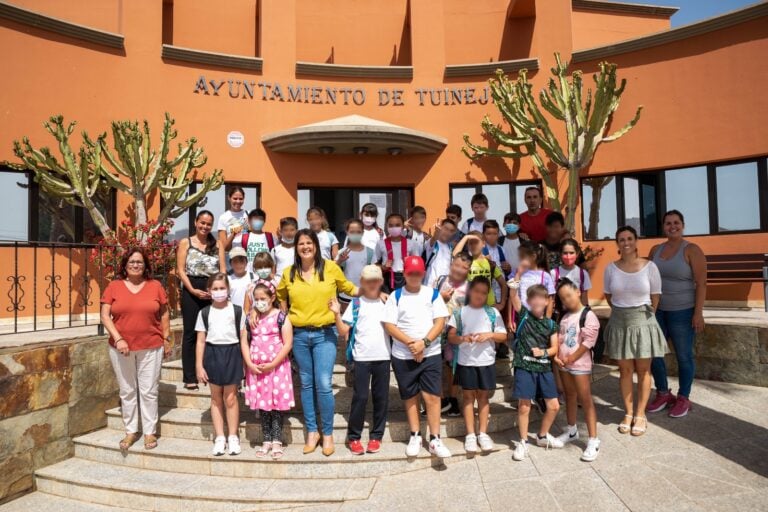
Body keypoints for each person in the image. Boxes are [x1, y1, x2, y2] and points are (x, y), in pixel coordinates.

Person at [276, 229, 358, 456]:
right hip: (300, 335)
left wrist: (373, 291)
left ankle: (328, 433)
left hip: (325, 334)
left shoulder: (331, 268)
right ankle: (312, 432)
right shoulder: (289, 272)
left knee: (323, 382)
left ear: (315, 245)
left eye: (309, 243)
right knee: (306, 382)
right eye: (301, 244)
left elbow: (348, 288)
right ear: (296, 248)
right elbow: (280, 295)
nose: (305, 247)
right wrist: (285, 319)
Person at [101, 248, 172, 451]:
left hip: (151, 346)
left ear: (145, 266)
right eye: (131, 261)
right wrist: (119, 338)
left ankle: (149, 431)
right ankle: (131, 430)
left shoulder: (155, 286)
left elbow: (165, 314)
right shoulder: (114, 286)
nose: (135, 265)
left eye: (139, 262)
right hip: (120, 348)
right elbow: (105, 316)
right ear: (125, 265)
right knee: (127, 390)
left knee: (149, 391)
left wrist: (166, 338)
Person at [383, 256, 451, 458]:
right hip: (403, 355)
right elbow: (389, 325)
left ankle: (435, 439)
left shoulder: (433, 295)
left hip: (430, 352)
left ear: (423, 274)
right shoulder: (396, 296)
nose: (414, 276)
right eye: (410, 273)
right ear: (404, 273)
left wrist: (424, 343)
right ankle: (415, 434)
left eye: (418, 273)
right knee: (410, 396)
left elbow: (439, 322)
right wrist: (411, 344)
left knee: (432, 396)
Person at [603, 226, 668, 437]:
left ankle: (641, 414)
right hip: (620, 320)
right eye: (621, 239)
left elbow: (656, 296)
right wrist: (622, 313)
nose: (626, 242)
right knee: (625, 371)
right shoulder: (611, 268)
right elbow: (609, 296)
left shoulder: (650, 267)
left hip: (644, 320)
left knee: (643, 370)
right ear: (617, 243)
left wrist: (643, 317)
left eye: (629, 238)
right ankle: (628, 413)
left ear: (636, 240)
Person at [647, 210, 707, 418]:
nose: (672, 226)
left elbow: (701, 284)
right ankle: (663, 393)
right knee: (654, 353)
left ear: (683, 225)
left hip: (683, 311)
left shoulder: (692, 250)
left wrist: (698, 313)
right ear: (663, 226)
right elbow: (648, 279)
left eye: (676, 223)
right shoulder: (655, 249)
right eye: (668, 223)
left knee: (683, 356)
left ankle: (683, 397)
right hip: (657, 311)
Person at [330, 265, 390, 455]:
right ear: (362, 283)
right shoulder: (356, 304)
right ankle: (354, 437)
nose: (372, 284)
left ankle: (376, 436)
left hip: (383, 356)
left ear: (381, 282)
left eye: (375, 280)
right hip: (361, 357)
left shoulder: (388, 302)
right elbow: (343, 331)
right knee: (360, 397)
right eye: (368, 280)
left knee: (381, 397)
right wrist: (336, 313)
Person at [446, 277, 508, 453]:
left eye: (483, 292)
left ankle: (483, 433)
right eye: (476, 291)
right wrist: (463, 338)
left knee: (483, 397)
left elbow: (503, 336)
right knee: (467, 397)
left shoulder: (492, 313)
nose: (479, 295)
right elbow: (450, 336)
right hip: (466, 362)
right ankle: (470, 435)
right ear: (469, 291)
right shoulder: (459, 313)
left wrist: (489, 335)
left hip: (486, 361)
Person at [506, 282, 562, 461]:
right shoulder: (524, 315)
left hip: (544, 368)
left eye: (541, 297)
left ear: (547, 301)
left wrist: (543, 352)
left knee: (554, 406)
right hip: (524, 366)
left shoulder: (551, 324)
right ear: (529, 301)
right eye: (533, 297)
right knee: (524, 406)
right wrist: (513, 286)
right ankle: (523, 442)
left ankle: (542, 435)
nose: (537, 301)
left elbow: (554, 348)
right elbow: (514, 298)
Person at [195, 273, 246, 456]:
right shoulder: (204, 313)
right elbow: (200, 341)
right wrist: (199, 366)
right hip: (212, 354)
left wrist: (245, 363)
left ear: (228, 289)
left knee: (231, 397)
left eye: (222, 288)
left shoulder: (237, 310)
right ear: (209, 291)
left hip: (232, 353)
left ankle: (233, 436)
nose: (219, 292)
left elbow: (243, 338)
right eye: (215, 289)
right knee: (216, 397)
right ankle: (219, 437)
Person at [242, 279, 294, 459]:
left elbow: (287, 344)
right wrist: (249, 362)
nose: (259, 302)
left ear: (272, 298)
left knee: (276, 404)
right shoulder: (251, 317)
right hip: (257, 369)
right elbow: (244, 340)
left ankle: (277, 440)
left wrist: (273, 364)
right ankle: (266, 439)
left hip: (276, 368)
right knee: (263, 405)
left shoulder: (281, 317)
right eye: (256, 299)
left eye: (263, 298)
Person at [177, 210, 226, 390]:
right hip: (192, 289)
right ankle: (189, 376)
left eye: (208, 224)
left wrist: (218, 291)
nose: (205, 226)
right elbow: (180, 270)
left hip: (213, 289)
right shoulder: (185, 243)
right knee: (190, 333)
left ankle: (210, 371)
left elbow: (222, 269)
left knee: (213, 332)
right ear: (196, 222)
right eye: (202, 222)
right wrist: (192, 290)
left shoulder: (217, 244)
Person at [553, 279, 601, 462]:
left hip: (580, 365)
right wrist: (557, 356)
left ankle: (593, 439)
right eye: (563, 298)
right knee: (569, 396)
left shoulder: (588, 315)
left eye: (569, 295)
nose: (567, 300)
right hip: (565, 365)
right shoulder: (564, 317)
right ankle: (572, 430)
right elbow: (559, 337)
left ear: (578, 292)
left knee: (585, 399)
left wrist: (572, 357)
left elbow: (588, 341)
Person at [434, 252, 472, 417]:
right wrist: (440, 298)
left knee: (453, 366)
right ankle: (440, 400)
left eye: (464, 267)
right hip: (437, 330)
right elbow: (428, 301)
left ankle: (453, 399)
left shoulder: (470, 287)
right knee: (436, 364)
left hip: (457, 332)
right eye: (456, 265)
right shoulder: (440, 281)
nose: (459, 270)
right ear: (451, 264)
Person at [453, 231, 508, 312]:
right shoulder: (466, 262)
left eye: (476, 242)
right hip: (471, 306)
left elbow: (503, 284)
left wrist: (502, 304)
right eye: (470, 243)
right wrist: (466, 237)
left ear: (483, 244)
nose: (473, 245)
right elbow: (455, 255)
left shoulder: (490, 263)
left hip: (490, 306)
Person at [375, 213, 420, 293]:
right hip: (387, 280)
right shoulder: (380, 243)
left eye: (397, 225)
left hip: (406, 279)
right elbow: (374, 265)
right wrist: (383, 267)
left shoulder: (412, 243)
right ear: (387, 226)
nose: (394, 227)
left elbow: (417, 264)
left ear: (403, 226)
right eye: (391, 225)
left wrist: (409, 265)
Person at [337, 219, 375, 307]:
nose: (355, 234)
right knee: (347, 320)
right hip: (345, 295)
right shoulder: (342, 252)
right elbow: (333, 270)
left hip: (365, 294)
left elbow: (374, 272)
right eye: (352, 232)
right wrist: (340, 260)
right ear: (347, 232)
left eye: (358, 232)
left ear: (362, 233)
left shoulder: (370, 252)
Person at [512, 242, 555, 319]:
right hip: (521, 316)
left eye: (523, 256)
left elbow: (550, 300)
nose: (520, 259)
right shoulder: (517, 273)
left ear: (533, 257)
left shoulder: (545, 276)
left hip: (539, 317)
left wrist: (547, 320)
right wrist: (510, 319)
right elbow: (512, 294)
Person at [551, 238, 591, 308]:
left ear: (577, 253)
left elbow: (584, 300)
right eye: (565, 253)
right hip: (559, 316)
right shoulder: (554, 273)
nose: (568, 257)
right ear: (560, 254)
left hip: (577, 315)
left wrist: (584, 316)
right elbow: (551, 300)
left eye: (571, 253)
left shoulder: (583, 274)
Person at [482, 220, 510, 304]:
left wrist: (508, 268)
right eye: (489, 234)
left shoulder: (502, 249)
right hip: (485, 294)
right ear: (483, 235)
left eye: (495, 234)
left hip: (500, 293)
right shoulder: (480, 250)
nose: (492, 237)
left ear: (498, 234)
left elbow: (507, 271)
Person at [424, 218, 457, 286]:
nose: (448, 232)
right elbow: (433, 239)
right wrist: (436, 233)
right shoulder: (432, 243)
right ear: (441, 227)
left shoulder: (450, 248)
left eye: (451, 231)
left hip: (443, 287)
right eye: (446, 229)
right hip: (430, 286)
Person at [217, 186, 249, 251]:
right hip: (231, 257)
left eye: (240, 199)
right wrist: (234, 233)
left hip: (248, 256)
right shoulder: (223, 217)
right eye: (235, 198)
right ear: (229, 198)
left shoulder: (249, 214)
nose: (238, 201)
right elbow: (224, 247)